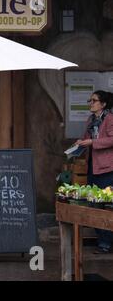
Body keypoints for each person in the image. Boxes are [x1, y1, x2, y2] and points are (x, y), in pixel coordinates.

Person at [76, 90, 113, 253]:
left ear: (103, 104)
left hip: (107, 168)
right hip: (93, 166)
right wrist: (81, 142)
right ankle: (104, 240)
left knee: (105, 205)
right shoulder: (91, 119)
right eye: (90, 100)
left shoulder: (110, 119)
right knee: (94, 204)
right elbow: (87, 139)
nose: (91, 103)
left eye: (94, 100)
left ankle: (105, 243)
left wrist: (93, 142)